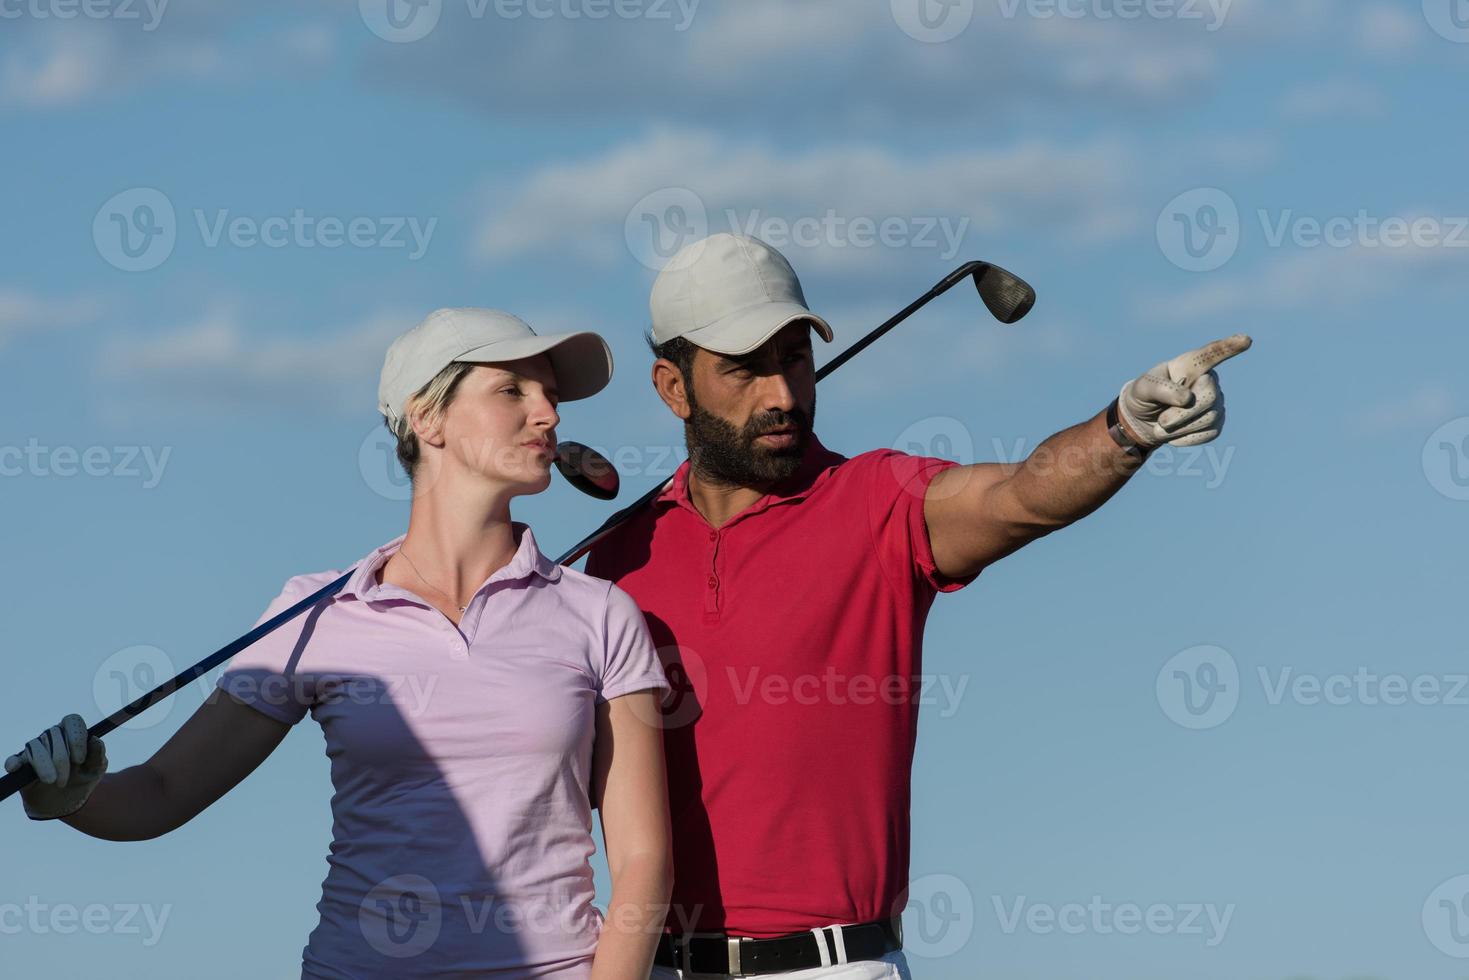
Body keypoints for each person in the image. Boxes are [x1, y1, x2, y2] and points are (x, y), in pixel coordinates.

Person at [584, 233, 1252, 979]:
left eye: (795, 360)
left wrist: (1125, 428)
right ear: (672, 388)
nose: (780, 395)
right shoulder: (614, 560)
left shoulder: (876, 500)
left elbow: (1020, 495)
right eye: (744, 370)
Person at [6, 309, 674, 980]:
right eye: (513, 391)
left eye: (551, 397)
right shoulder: (318, 611)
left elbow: (643, 859)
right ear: (428, 419)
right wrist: (72, 797)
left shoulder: (599, 612)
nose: (548, 415)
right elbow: (162, 789)